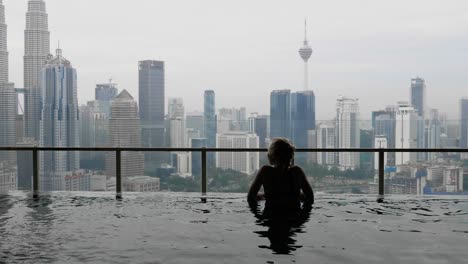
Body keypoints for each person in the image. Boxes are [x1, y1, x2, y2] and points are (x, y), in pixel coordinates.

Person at [247, 138, 314, 212]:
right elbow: (310, 197)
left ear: (272, 156)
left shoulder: (265, 171)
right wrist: (295, 195)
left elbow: (250, 197)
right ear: (290, 156)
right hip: (294, 219)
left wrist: (266, 196)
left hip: (270, 219)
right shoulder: (297, 172)